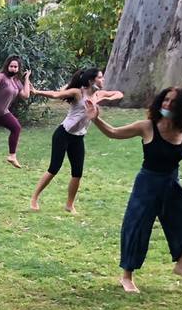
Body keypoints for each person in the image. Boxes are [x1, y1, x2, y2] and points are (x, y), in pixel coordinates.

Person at [87, 87, 182, 294]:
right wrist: (96, 119)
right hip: (147, 185)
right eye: (165, 100)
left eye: (172, 102)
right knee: (136, 228)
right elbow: (114, 133)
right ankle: (126, 277)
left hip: (171, 185)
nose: (166, 105)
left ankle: (181, 266)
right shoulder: (147, 127)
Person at [28, 67, 124, 213]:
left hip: (78, 137)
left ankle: (69, 205)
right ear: (92, 80)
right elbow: (56, 94)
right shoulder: (78, 93)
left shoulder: (98, 94)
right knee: (54, 168)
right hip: (63, 134)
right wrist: (36, 92)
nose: (103, 79)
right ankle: (34, 198)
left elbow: (119, 94)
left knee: (77, 173)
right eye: (100, 77)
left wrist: (104, 98)